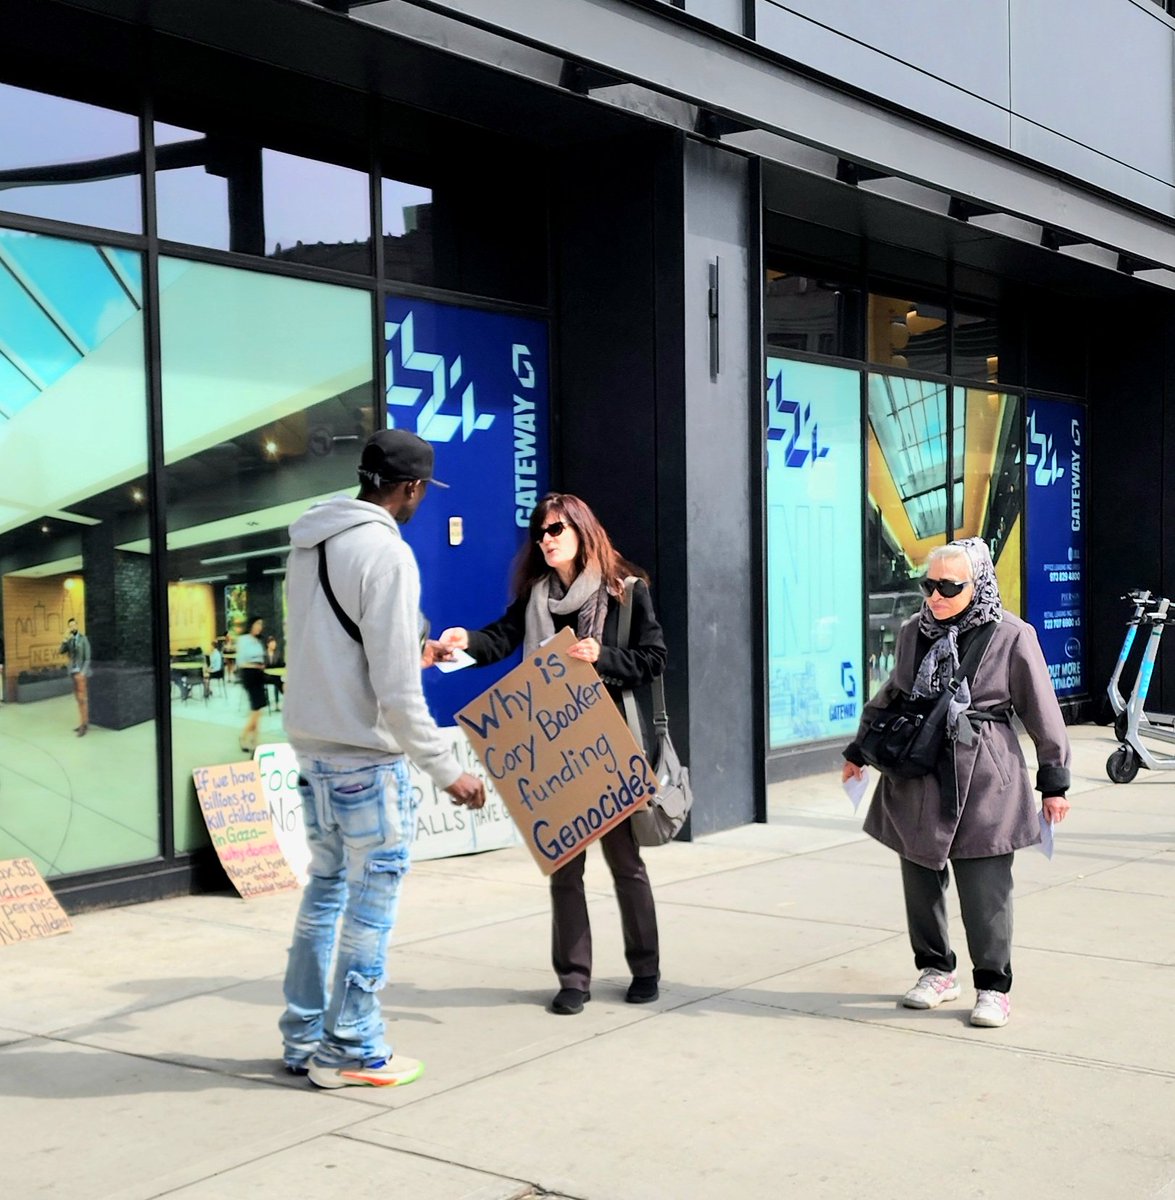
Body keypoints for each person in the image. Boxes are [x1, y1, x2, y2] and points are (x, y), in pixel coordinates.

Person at [278, 428, 486, 1090]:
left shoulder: (310, 543)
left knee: (325, 890)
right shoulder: (387, 556)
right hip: (365, 761)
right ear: (410, 489)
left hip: (313, 749)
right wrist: (446, 769)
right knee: (370, 903)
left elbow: (326, 649)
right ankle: (354, 1047)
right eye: (422, 491)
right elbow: (396, 695)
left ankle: (303, 1036)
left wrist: (410, 652)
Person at [439, 492, 667, 1017]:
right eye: (539, 531)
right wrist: (466, 642)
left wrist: (601, 655)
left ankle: (646, 967)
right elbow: (501, 638)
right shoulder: (537, 596)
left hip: (607, 745)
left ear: (582, 532)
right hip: (552, 747)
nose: (545, 539)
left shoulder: (625, 592)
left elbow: (653, 658)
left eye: (555, 529)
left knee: (624, 862)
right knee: (564, 866)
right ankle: (574, 978)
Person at [841, 537, 1071, 1029]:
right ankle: (936, 970)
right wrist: (858, 750)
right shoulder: (912, 631)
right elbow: (894, 692)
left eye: (949, 585)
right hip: (917, 771)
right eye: (929, 584)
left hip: (986, 772)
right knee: (919, 878)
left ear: (978, 583)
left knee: (985, 888)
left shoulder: (1011, 635)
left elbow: (1042, 710)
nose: (936, 595)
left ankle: (993, 985)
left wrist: (1054, 782)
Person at [235, 615, 267, 754]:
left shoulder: (258, 641)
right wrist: (255, 666)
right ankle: (243, 736)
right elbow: (240, 661)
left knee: (258, 710)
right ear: (251, 624)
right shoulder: (243, 640)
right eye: (257, 624)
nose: (259, 627)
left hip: (259, 675)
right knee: (255, 710)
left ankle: (254, 740)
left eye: (261, 624)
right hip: (249, 675)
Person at [60, 617, 91, 736]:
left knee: (82, 699)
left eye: (74, 625)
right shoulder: (69, 640)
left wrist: (83, 673)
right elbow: (61, 651)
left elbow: (87, 658)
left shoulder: (84, 639)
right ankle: (83, 722)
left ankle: (84, 725)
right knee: (78, 699)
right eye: (70, 626)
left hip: (80, 673)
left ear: (77, 626)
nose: (72, 627)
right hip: (72, 672)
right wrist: (64, 638)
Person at [263, 635, 284, 709]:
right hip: (266, 676)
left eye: (274, 643)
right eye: (272, 643)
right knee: (278, 681)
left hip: (275, 675)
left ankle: (277, 702)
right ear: (268, 644)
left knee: (277, 679)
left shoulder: (278, 654)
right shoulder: (264, 654)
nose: (274, 645)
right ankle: (282, 696)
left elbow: (281, 664)